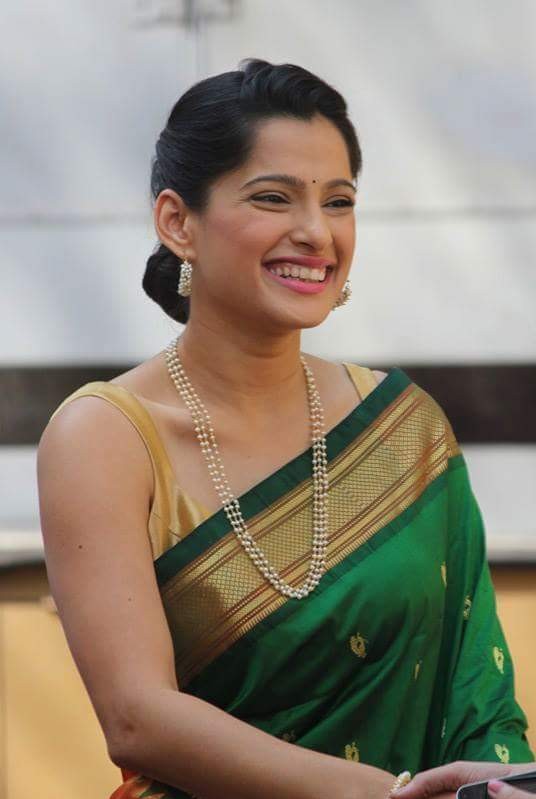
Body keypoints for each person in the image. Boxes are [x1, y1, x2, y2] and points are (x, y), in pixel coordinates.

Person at [36, 58, 534, 799]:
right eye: (273, 198)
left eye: (339, 202)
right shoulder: (107, 437)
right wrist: (384, 795)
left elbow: (475, 687)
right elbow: (137, 718)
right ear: (177, 222)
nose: (315, 232)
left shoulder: (402, 427)